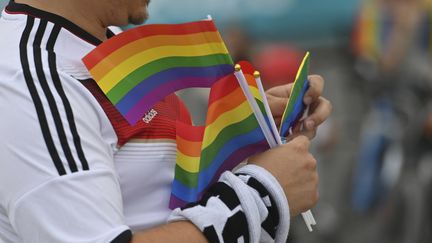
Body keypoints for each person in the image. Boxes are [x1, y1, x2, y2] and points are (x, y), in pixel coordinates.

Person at [0, 0, 332, 242]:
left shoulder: (107, 38)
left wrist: (250, 132)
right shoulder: (32, 80)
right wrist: (262, 192)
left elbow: (153, 190)